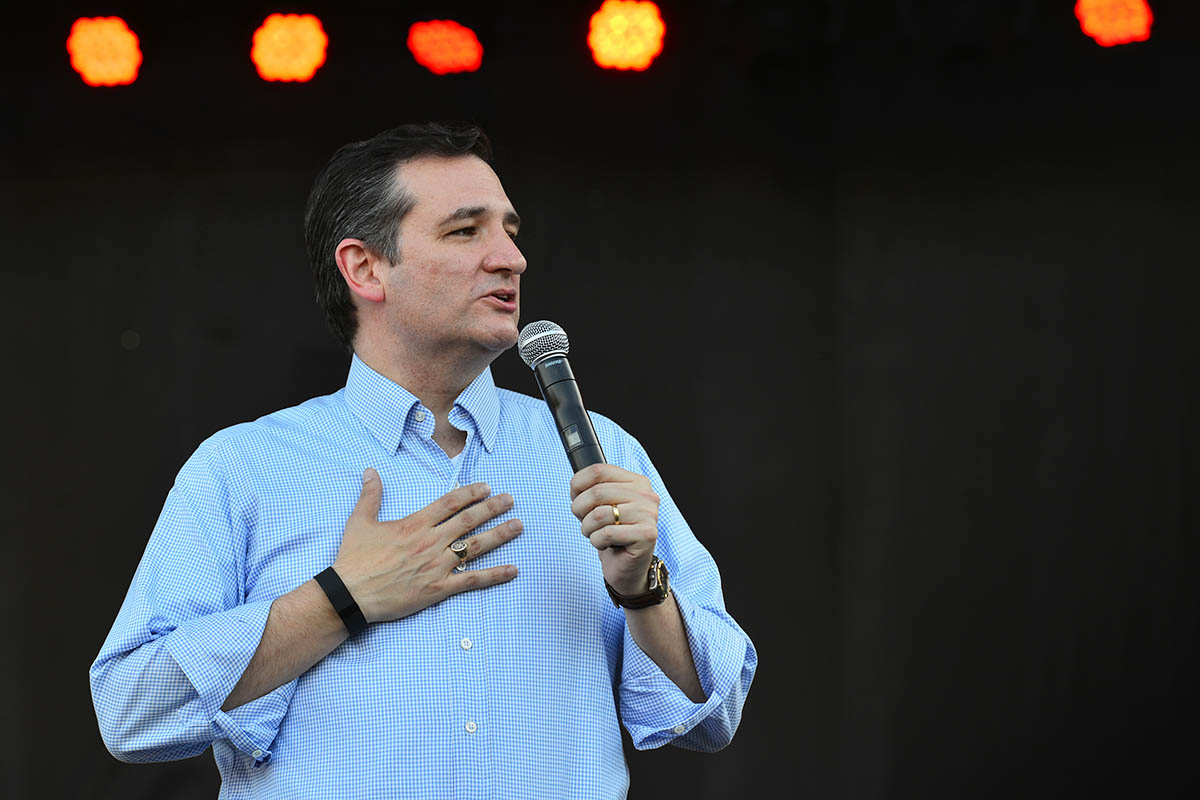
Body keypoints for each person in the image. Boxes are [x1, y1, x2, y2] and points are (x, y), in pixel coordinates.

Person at [89, 122, 757, 798]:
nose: (511, 258)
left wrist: (642, 588)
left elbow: (715, 714)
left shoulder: (601, 454)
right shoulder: (244, 468)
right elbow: (131, 713)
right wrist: (339, 601)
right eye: (466, 231)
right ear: (365, 268)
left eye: (510, 230)